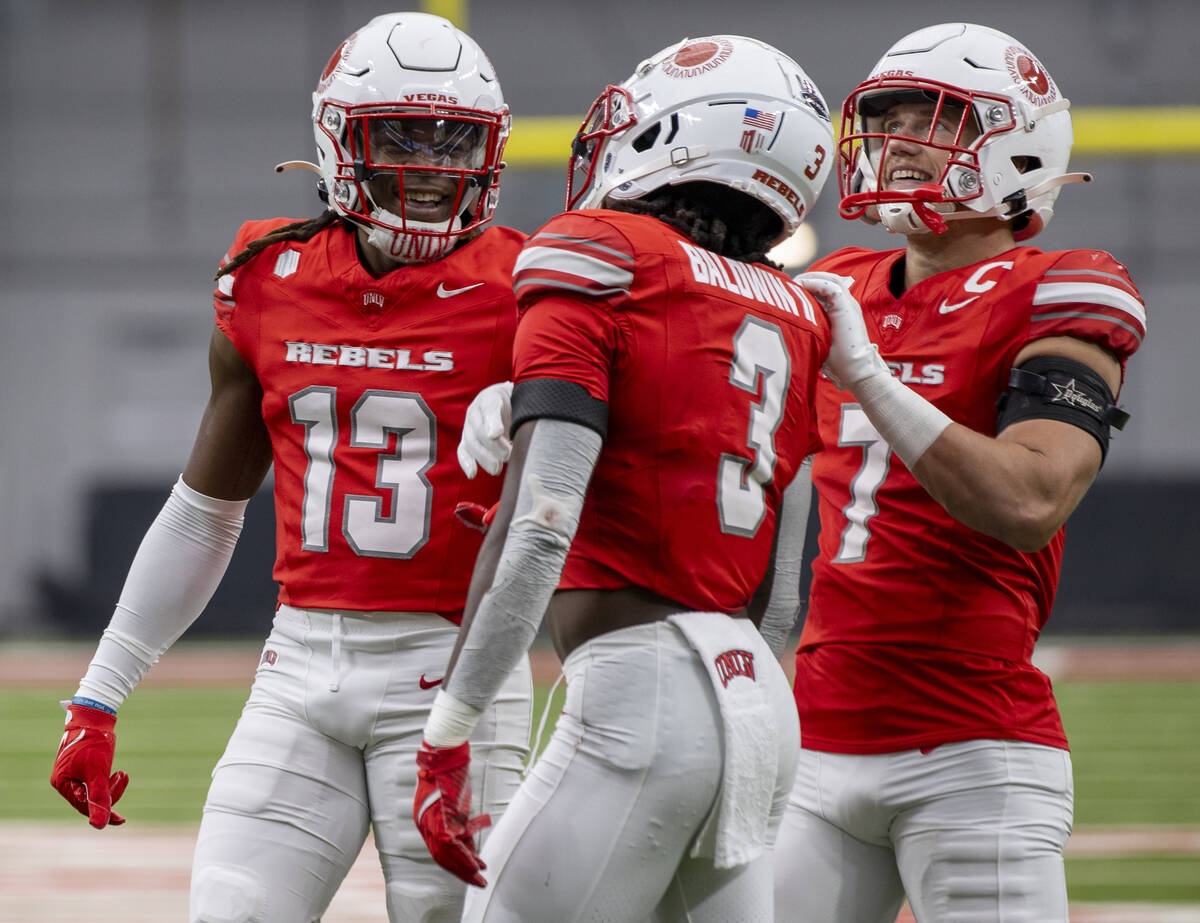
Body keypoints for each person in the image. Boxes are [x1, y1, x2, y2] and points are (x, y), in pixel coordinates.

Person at [48, 13, 532, 923]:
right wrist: (100, 692)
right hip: (299, 663)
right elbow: (204, 512)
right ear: (337, 136)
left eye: (455, 140)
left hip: (456, 668)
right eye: (403, 135)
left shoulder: (531, 288)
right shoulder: (268, 272)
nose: (432, 166)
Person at [410, 35, 836, 923]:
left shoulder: (606, 253)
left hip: (640, 698)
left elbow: (541, 519)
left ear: (685, 131)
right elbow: (785, 593)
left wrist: (449, 732)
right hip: (753, 696)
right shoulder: (796, 308)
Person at [774, 22, 1147, 922]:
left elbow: (1030, 499)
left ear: (1017, 143)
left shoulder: (1061, 285)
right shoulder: (835, 282)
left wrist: (869, 377)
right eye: (889, 115)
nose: (898, 138)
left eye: (933, 117)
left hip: (973, 750)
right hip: (813, 742)